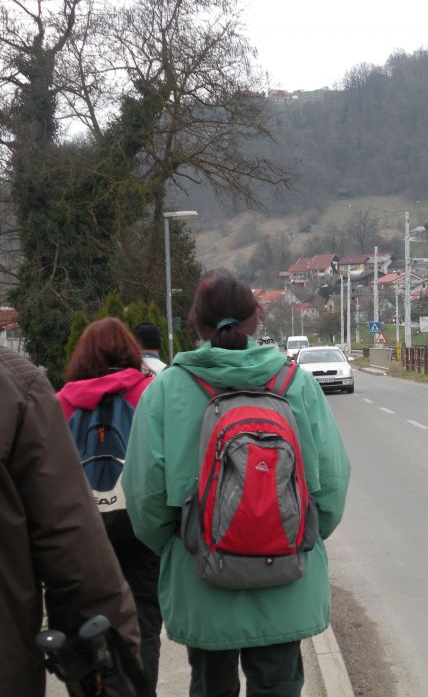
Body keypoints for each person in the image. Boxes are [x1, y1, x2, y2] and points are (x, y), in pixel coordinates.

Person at [123, 268, 350, 697]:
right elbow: (333, 486)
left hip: (200, 578)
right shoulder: (295, 385)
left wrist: (185, 544)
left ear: (195, 323)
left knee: (209, 686)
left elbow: (144, 497)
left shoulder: (166, 390)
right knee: (280, 684)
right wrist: (292, 535)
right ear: (256, 318)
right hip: (286, 577)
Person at [0, 346, 142, 696]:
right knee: (148, 612)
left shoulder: (54, 396)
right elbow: (71, 546)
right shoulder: (16, 384)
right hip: (131, 527)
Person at [56, 317, 162, 693]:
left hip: (83, 536)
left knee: (87, 627)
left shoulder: (61, 403)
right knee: (145, 624)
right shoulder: (150, 393)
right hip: (140, 529)